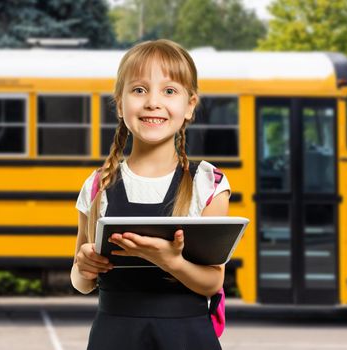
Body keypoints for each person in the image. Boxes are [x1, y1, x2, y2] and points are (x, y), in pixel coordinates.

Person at [70, 39, 230, 350]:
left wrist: (172, 262)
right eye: (139, 90)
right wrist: (83, 266)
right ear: (120, 104)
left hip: (187, 337)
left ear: (190, 106)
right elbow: (81, 282)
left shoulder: (207, 183)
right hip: (113, 336)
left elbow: (213, 281)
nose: (152, 102)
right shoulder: (96, 185)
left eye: (169, 91)